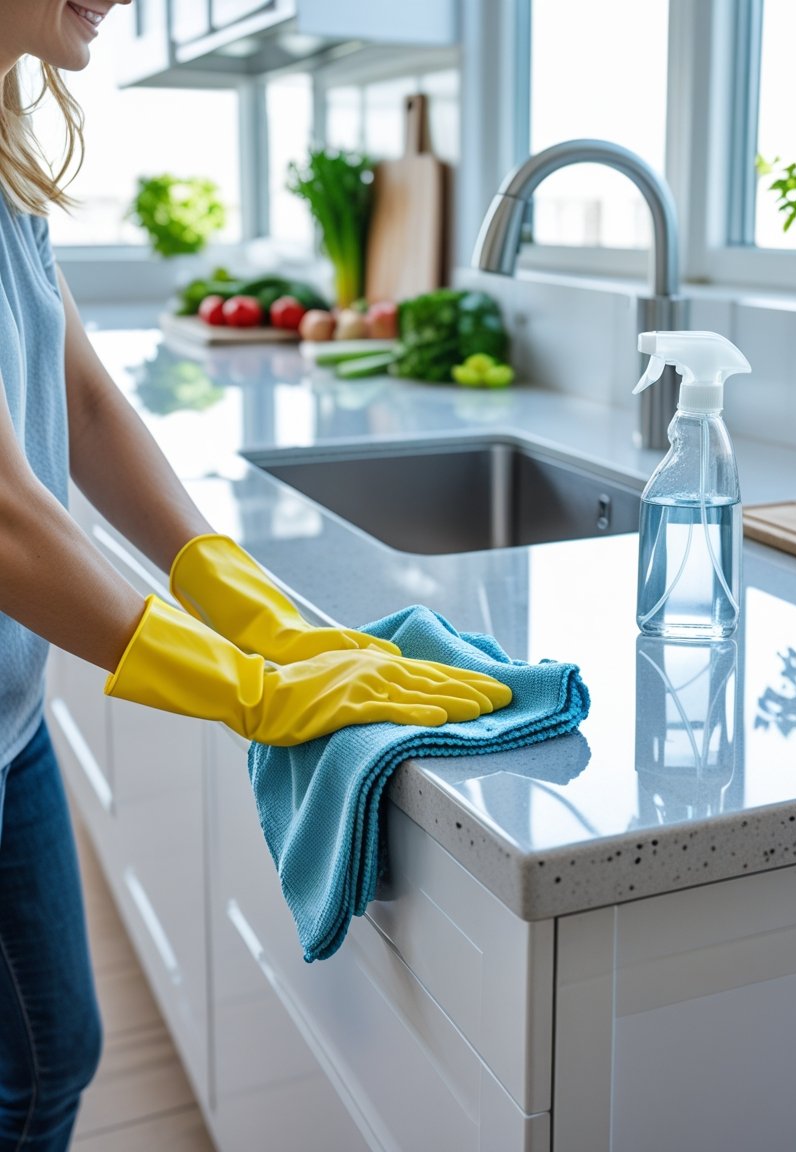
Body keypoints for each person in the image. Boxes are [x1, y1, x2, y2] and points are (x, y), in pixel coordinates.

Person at [0, 4, 512, 1147]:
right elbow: (4, 518)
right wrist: (252, 689)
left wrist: (253, 607)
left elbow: (79, 398)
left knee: (52, 1049)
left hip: (11, 710)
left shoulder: (1, 149)